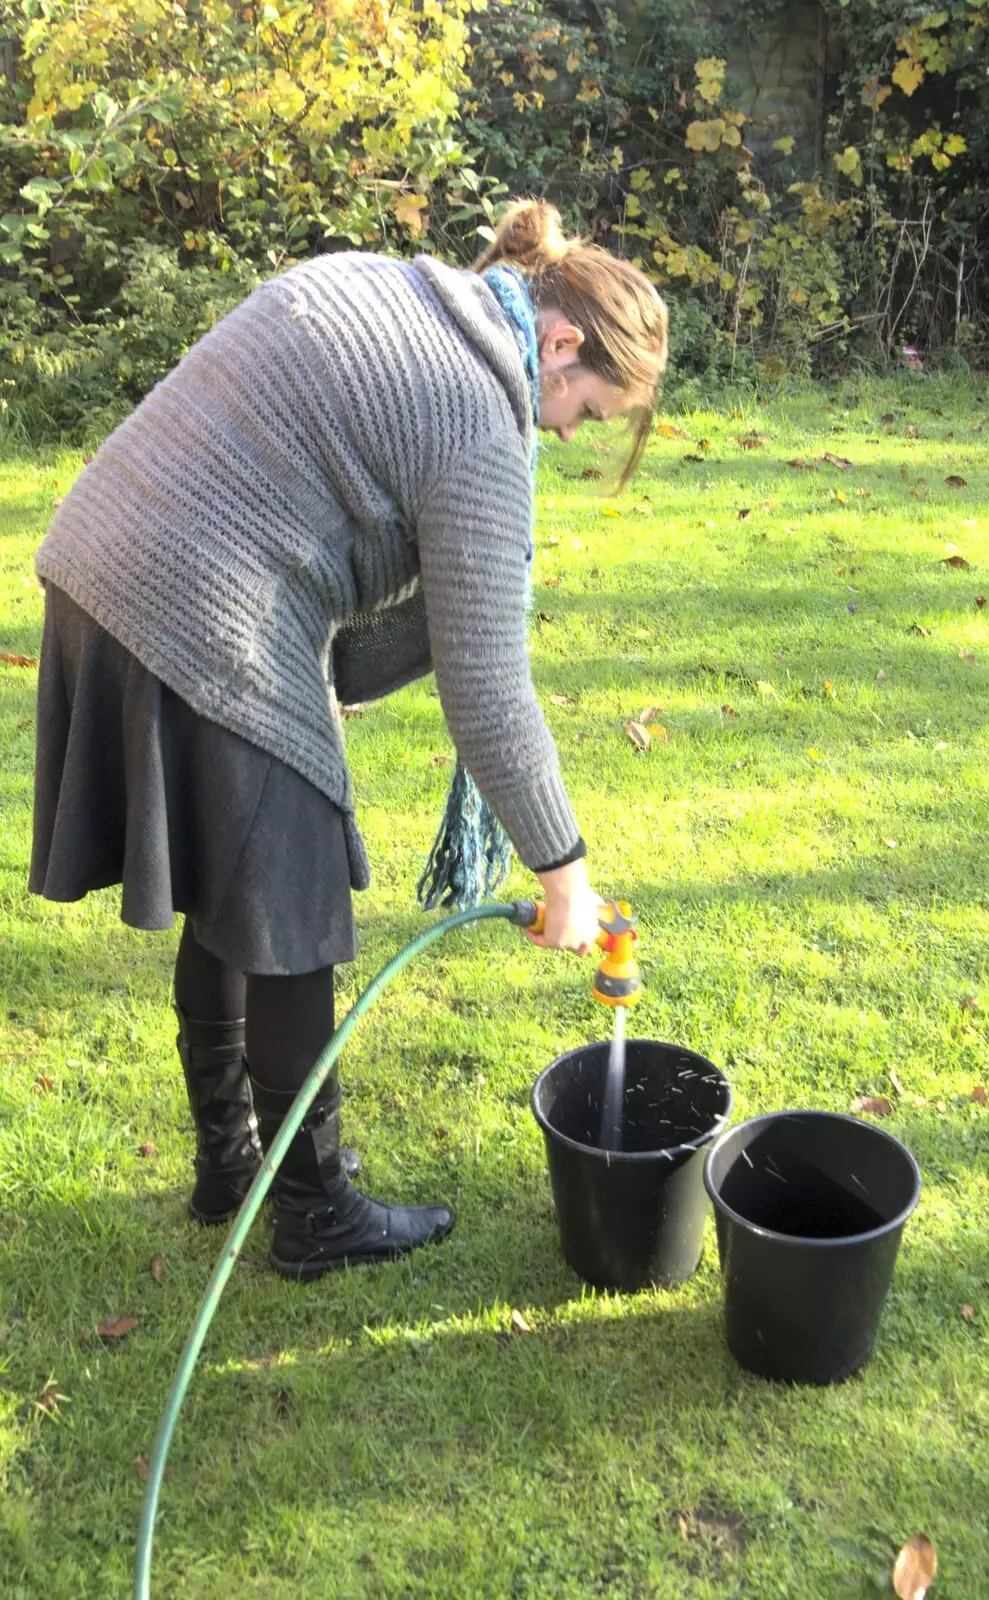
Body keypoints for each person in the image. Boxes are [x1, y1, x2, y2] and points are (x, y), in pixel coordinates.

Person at [28, 200, 669, 1281]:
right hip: (198, 595)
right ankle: (314, 1210)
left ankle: (238, 1165)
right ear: (560, 344)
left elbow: (324, 501)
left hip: (101, 560)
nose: (564, 434)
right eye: (585, 409)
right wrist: (565, 874)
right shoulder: (480, 407)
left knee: (237, 887)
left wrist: (320, 672)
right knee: (289, 900)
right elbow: (487, 686)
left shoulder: (410, 291)